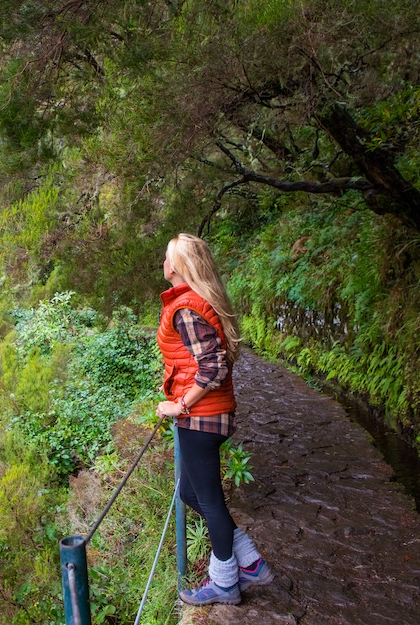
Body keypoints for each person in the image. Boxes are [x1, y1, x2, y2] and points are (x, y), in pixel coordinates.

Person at [155, 233, 273, 606]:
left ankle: (224, 582)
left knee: (209, 500)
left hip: (202, 419)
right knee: (191, 493)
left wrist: (180, 405)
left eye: (168, 255)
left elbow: (213, 365)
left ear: (178, 266)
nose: (163, 261)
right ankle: (250, 562)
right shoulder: (192, 302)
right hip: (212, 416)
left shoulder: (186, 307)